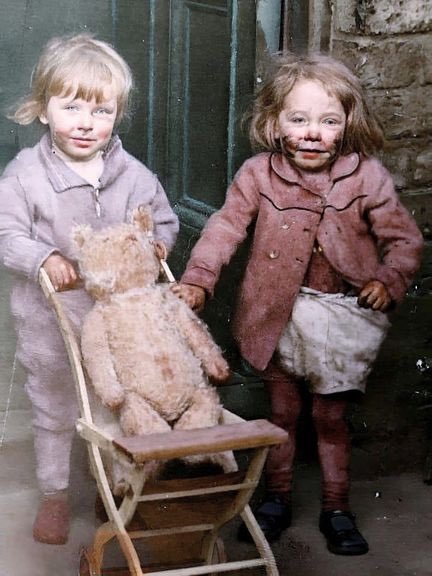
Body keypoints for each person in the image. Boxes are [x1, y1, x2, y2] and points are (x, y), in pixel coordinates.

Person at [173, 53, 423, 555]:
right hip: (277, 316)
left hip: (341, 317)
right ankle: (277, 498)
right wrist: (199, 280)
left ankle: (336, 507)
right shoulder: (257, 175)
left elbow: (406, 241)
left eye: (328, 121)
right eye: (299, 119)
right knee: (283, 412)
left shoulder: (366, 177)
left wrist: (388, 278)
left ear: (348, 124)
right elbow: (224, 229)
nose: (312, 133)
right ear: (274, 122)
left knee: (330, 417)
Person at [0, 33, 179, 545]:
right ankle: (55, 494)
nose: (85, 123)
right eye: (71, 107)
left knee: (114, 404)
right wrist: (44, 256)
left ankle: (113, 486)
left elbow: (161, 222)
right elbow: (6, 234)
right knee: (54, 409)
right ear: (42, 109)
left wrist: (156, 245)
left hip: (117, 323)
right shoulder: (25, 177)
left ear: (117, 116)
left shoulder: (131, 175)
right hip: (49, 322)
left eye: (100, 111)